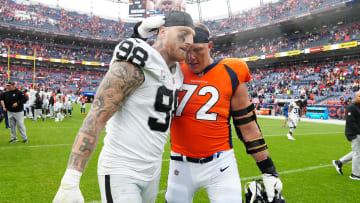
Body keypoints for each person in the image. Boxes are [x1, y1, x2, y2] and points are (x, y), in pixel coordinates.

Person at [53, 11, 195, 203]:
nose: (189, 41)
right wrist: (71, 178)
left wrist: (139, 30)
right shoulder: (136, 59)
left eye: (192, 37)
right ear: (162, 31)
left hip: (153, 170)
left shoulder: (177, 72)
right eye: (183, 33)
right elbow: (96, 115)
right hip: (122, 168)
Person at [163, 23, 282, 203]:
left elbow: (247, 125)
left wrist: (268, 169)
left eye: (198, 50)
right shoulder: (172, 69)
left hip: (220, 165)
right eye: (187, 50)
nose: (191, 57)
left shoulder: (231, 71)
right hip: (180, 164)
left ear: (210, 46)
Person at [333, 90, 360, 180]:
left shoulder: (358, 107)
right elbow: (351, 122)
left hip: (357, 132)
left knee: (357, 151)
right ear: (355, 97)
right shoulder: (352, 107)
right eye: (359, 96)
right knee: (357, 153)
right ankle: (355, 174)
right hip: (354, 133)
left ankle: (339, 162)